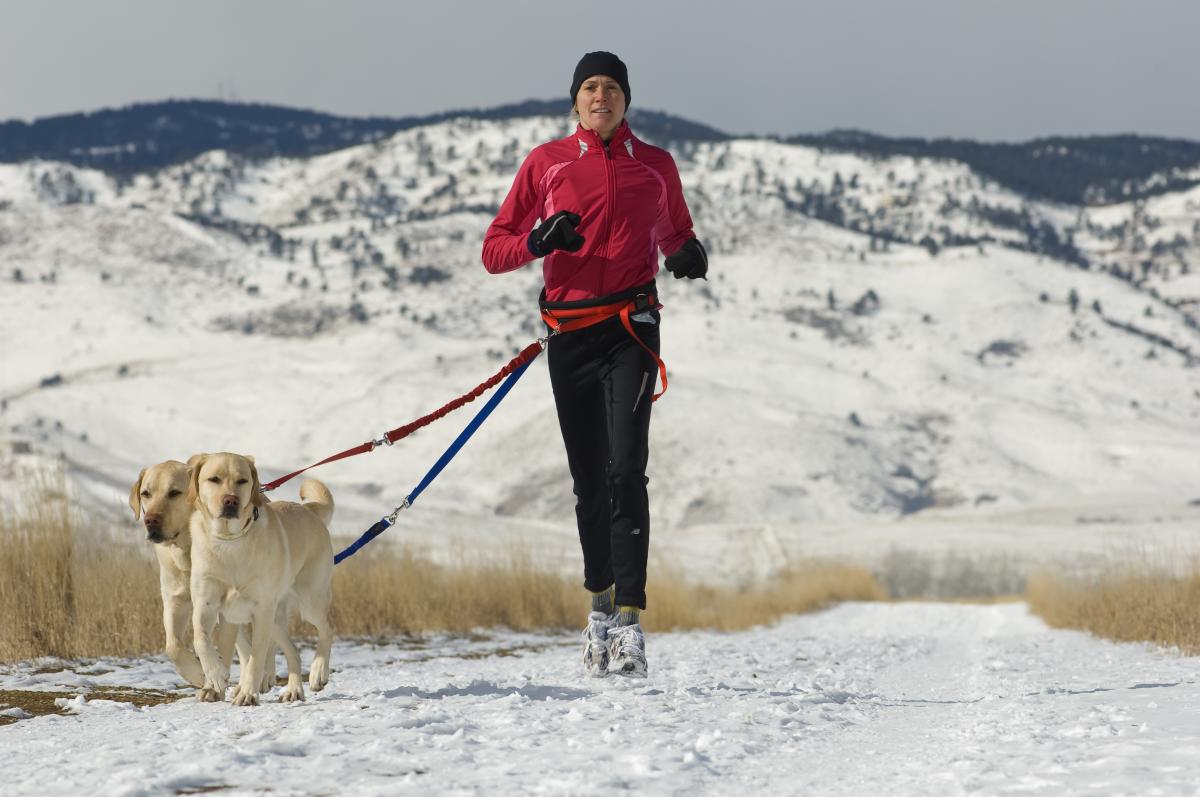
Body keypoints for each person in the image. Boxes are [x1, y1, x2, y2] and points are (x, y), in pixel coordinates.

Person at [481, 51, 708, 677]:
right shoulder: (546, 164)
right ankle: (600, 608)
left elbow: (673, 232)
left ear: (626, 99)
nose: (600, 94)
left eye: (611, 86)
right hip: (571, 335)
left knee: (626, 469)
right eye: (589, 86)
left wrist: (687, 252)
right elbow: (494, 250)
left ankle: (631, 621)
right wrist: (538, 240)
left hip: (631, 329)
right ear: (575, 101)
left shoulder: (655, 166)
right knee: (588, 480)